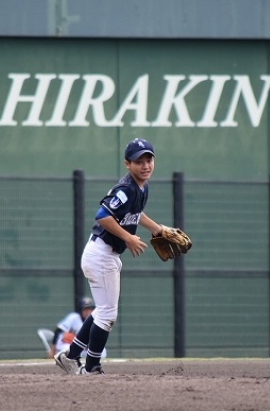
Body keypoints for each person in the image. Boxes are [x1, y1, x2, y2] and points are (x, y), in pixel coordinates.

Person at [55, 137, 166, 375]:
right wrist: (128, 237)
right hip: (101, 254)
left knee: (102, 311)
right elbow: (102, 215)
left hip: (104, 254)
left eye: (149, 160)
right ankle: (92, 366)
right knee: (107, 314)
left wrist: (157, 229)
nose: (145, 165)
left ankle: (71, 357)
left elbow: (135, 214)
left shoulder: (141, 187)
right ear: (127, 164)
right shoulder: (126, 189)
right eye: (139, 161)